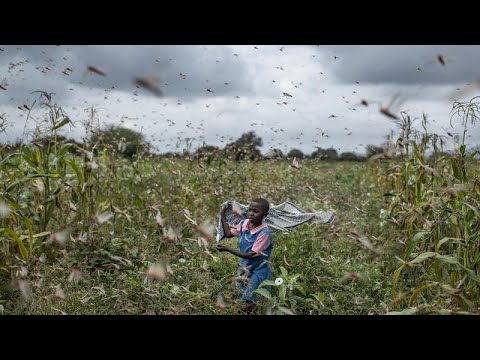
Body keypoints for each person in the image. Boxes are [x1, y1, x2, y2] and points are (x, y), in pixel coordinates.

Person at [216, 198, 273, 310]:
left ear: (265, 215)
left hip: (259, 269)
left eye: (256, 211)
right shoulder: (245, 223)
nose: (251, 213)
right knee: (240, 294)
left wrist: (227, 249)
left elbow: (251, 255)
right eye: (250, 210)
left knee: (248, 299)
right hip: (245, 266)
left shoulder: (264, 233)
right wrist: (223, 214)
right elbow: (228, 234)